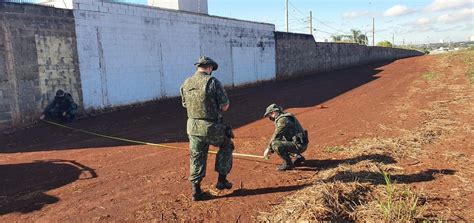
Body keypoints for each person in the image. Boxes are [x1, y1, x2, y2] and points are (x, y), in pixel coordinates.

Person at [180, 56, 235, 201]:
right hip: (210, 126)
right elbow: (225, 106)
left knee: (197, 155)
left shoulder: (186, 82)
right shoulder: (212, 82)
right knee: (227, 144)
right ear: (209, 68)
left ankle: (196, 190)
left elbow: (185, 104)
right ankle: (222, 180)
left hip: (192, 126)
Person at [263, 104, 309, 171]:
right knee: (281, 140)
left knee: (275, 144)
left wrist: (269, 149)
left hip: (299, 145)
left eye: (270, 114)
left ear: (275, 112)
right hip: (298, 143)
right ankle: (297, 157)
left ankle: (288, 164)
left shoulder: (283, 120)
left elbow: (277, 135)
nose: (270, 117)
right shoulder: (285, 115)